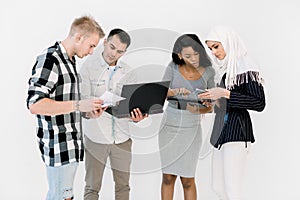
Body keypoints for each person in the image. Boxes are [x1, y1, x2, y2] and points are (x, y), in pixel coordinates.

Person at [26, 15, 105, 200]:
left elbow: (67, 105)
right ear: (79, 37)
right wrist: (79, 104)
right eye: (92, 45)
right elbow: (35, 104)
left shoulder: (69, 62)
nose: (92, 51)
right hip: (58, 144)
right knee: (61, 196)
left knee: (62, 196)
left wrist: (88, 112)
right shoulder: (50, 59)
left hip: (70, 145)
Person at [80, 28, 147, 200]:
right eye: (112, 47)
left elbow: (132, 105)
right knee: (92, 188)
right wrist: (91, 111)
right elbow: (81, 103)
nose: (113, 54)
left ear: (125, 52)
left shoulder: (129, 72)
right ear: (105, 42)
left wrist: (137, 118)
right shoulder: (88, 67)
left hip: (122, 138)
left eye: (119, 51)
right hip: (96, 138)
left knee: (123, 187)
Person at [199, 26, 266, 200]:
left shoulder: (245, 66)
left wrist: (224, 93)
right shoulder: (224, 69)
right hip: (221, 133)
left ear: (228, 43)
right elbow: (225, 103)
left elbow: (259, 103)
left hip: (238, 132)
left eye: (216, 46)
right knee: (218, 187)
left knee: (232, 190)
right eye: (210, 48)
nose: (213, 52)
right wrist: (212, 100)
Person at [159, 34, 215, 200]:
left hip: (192, 128)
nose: (194, 58)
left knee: (188, 179)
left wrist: (198, 110)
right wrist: (175, 92)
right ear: (179, 55)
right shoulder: (173, 67)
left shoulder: (209, 72)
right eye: (188, 55)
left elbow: (211, 107)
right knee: (168, 177)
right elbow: (159, 92)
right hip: (169, 126)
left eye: (196, 53)